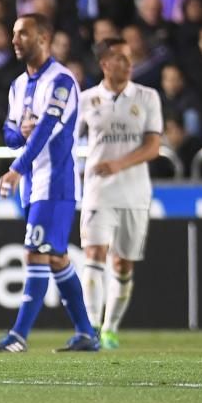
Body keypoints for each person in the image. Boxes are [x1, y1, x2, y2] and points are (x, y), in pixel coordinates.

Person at [0, 13, 99, 353]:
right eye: (14, 33)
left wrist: (17, 167)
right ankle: (85, 333)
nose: (15, 39)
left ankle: (18, 336)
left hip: (56, 182)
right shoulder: (18, 86)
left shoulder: (62, 81)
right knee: (55, 257)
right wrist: (17, 133)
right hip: (31, 186)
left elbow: (47, 129)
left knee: (35, 253)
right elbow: (9, 133)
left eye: (24, 33)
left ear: (44, 38)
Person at [80, 38, 163, 349]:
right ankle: (89, 326)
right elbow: (66, 139)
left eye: (130, 59)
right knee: (94, 253)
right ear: (104, 64)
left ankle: (110, 327)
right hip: (97, 192)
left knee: (122, 264)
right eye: (121, 59)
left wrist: (118, 164)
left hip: (135, 193)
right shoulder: (86, 100)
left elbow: (153, 147)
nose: (128, 64)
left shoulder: (147, 97)